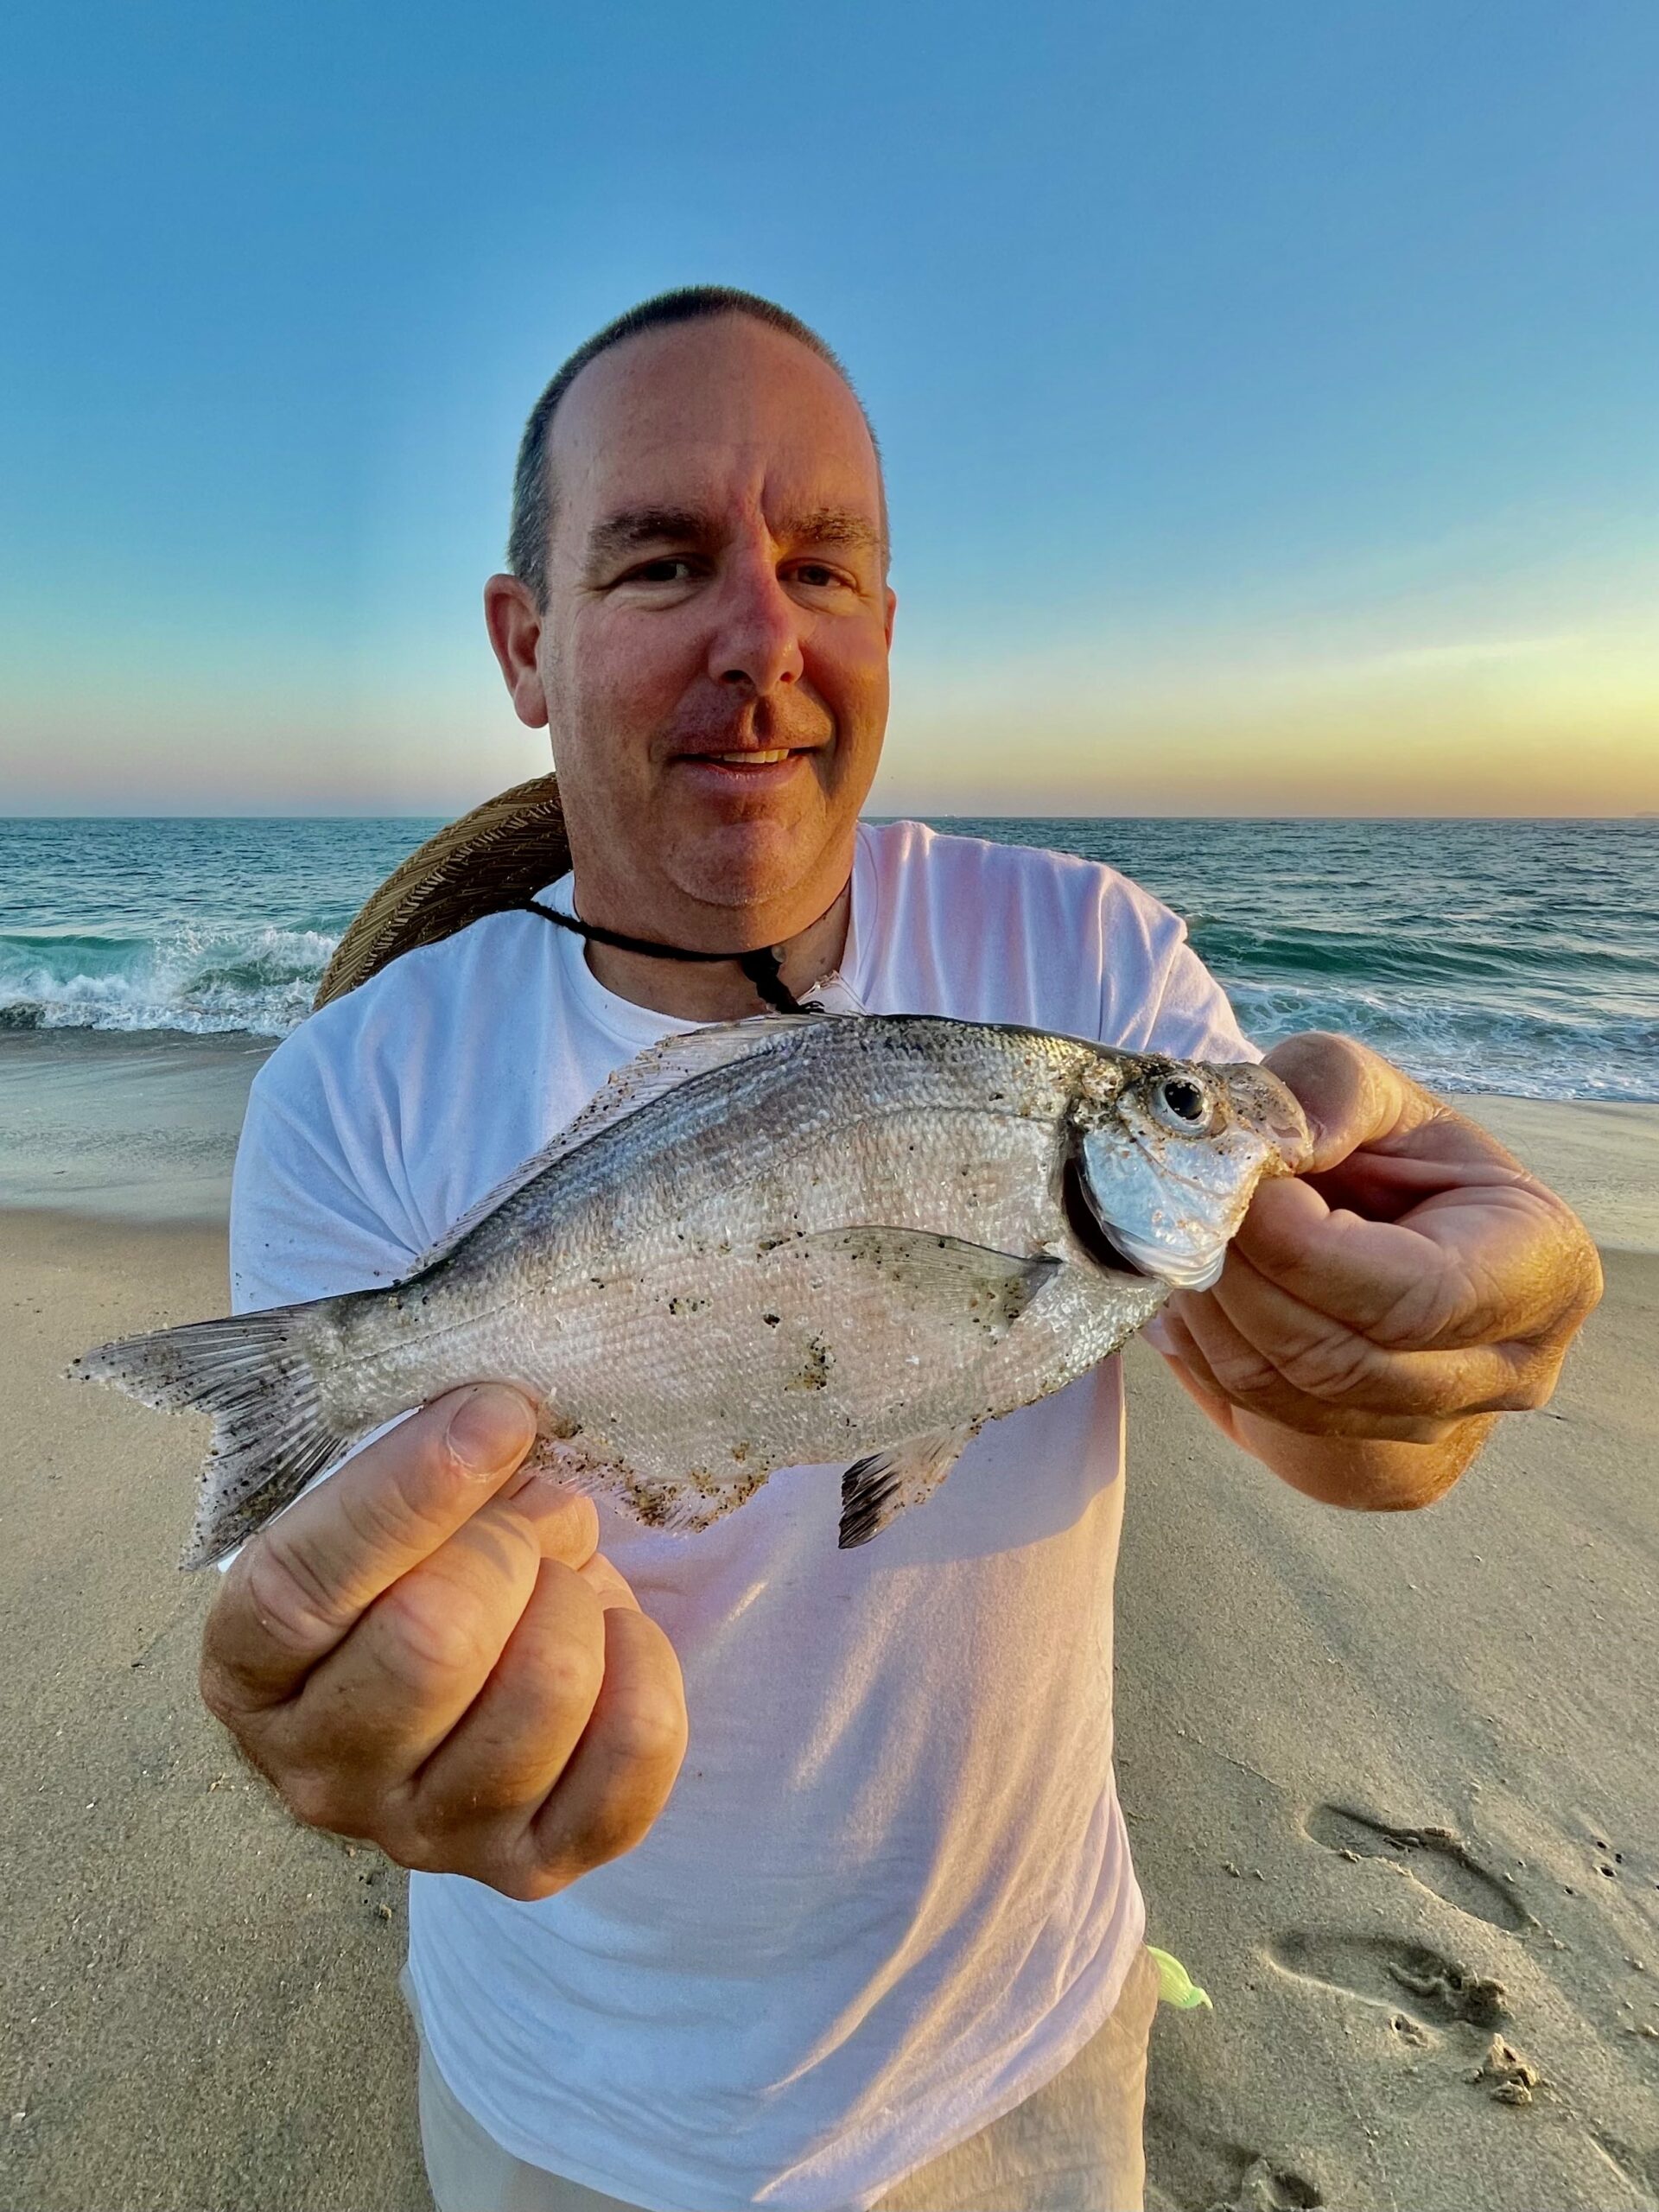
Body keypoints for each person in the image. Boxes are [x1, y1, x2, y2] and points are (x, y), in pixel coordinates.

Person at [202, 288, 1601, 2212]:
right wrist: (384, 1717)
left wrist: (1414, 1366)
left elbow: (1371, 1442)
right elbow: (385, 1627)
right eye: (666, 559)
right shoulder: (352, 1093)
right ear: (528, 644)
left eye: (825, 568)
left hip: (1027, 2052)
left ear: (883, 624)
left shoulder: (1093, 964)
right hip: (570, 2108)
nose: (762, 637)